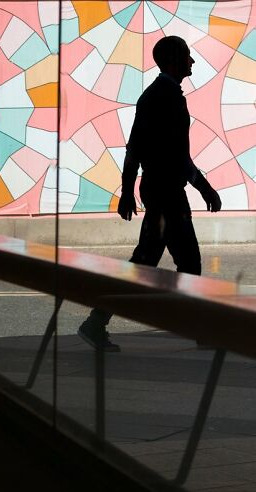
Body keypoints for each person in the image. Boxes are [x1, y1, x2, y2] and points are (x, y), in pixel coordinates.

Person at [78, 35, 222, 352]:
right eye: (187, 56)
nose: (192, 61)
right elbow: (159, 153)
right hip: (166, 192)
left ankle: (96, 321)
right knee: (187, 262)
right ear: (173, 61)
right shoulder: (162, 97)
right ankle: (199, 329)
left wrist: (129, 190)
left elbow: (141, 150)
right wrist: (204, 186)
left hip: (160, 190)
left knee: (146, 263)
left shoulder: (160, 96)